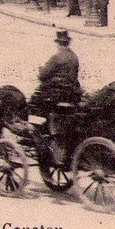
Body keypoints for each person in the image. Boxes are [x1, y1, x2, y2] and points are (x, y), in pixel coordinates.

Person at [31, 30, 82, 161]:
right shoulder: (74, 57)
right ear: (68, 43)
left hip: (55, 94)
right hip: (70, 94)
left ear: (59, 44)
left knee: (33, 103)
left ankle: (37, 131)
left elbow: (42, 75)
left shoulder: (57, 57)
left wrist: (40, 69)